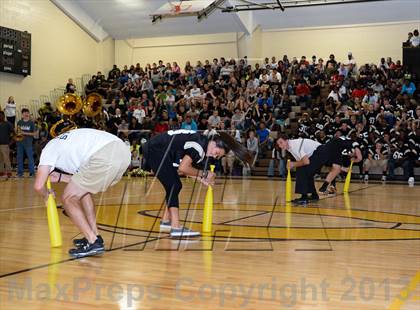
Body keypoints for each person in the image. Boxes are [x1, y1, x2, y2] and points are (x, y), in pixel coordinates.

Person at [34, 128, 131, 258]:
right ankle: (94, 235)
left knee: (68, 198)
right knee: (83, 192)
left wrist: (47, 195)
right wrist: (60, 177)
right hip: (122, 153)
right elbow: (82, 183)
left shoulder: (47, 150)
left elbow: (39, 186)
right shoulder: (65, 145)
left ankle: (93, 242)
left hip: (105, 154)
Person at [142, 129, 252, 237]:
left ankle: (166, 221)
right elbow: (183, 167)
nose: (214, 156)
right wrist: (203, 174)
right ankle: (175, 228)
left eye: (217, 156)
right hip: (155, 150)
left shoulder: (201, 144)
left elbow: (181, 170)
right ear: (214, 142)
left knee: (174, 184)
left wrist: (200, 178)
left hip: (160, 151)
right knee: (174, 185)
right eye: (217, 153)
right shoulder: (199, 146)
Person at [16, 108, 36, 177]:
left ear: (28, 114)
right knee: (19, 158)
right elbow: (17, 132)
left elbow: (34, 134)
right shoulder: (19, 122)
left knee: (30, 158)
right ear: (22, 115)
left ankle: (32, 173)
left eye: (27, 112)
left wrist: (24, 132)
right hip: (19, 143)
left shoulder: (31, 123)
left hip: (28, 143)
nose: (26, 114)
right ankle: (20, 173)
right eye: (24, 113)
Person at [0, 111, 13, 179]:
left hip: (5, 145)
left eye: (1, 115)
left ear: (4, 116)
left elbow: (13, 133)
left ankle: (9, 173)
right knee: (0, 160)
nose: (0, 117)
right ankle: (1, 172)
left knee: (6, 159)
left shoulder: (8, 124)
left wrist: (10, 142)